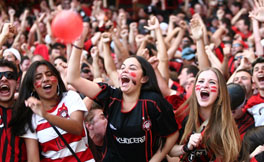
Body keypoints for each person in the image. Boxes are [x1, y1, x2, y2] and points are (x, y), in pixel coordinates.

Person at [67, 37, 179, 162]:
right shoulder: (110, 96)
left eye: (132, 68)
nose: (125, 70)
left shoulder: (154, 102)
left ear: (144, 78)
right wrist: (78, 44)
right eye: (123, 67)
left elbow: (172, 134)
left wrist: (155, 160)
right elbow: (73, 79)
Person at [9, 60, 94, 162]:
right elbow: (33, 159)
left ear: (57, 79)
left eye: (49, 75)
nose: (45, 79)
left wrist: (45, 115)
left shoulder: (70, 97)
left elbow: (77, 128)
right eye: (38, 77)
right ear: (33, 87)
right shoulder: (30, 116)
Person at [170, 68, 241, 162]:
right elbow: (169, 151)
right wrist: (187, 147)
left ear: (220, 91)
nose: (205, 85)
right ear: (195, 88)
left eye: (212, 82)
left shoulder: (226, 120)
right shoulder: (182, 114)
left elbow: (231, 154)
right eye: (201, 81)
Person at [0, 59, 27, 162]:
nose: (4, 79)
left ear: (17, 84)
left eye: (9, 75)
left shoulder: (27, 112)